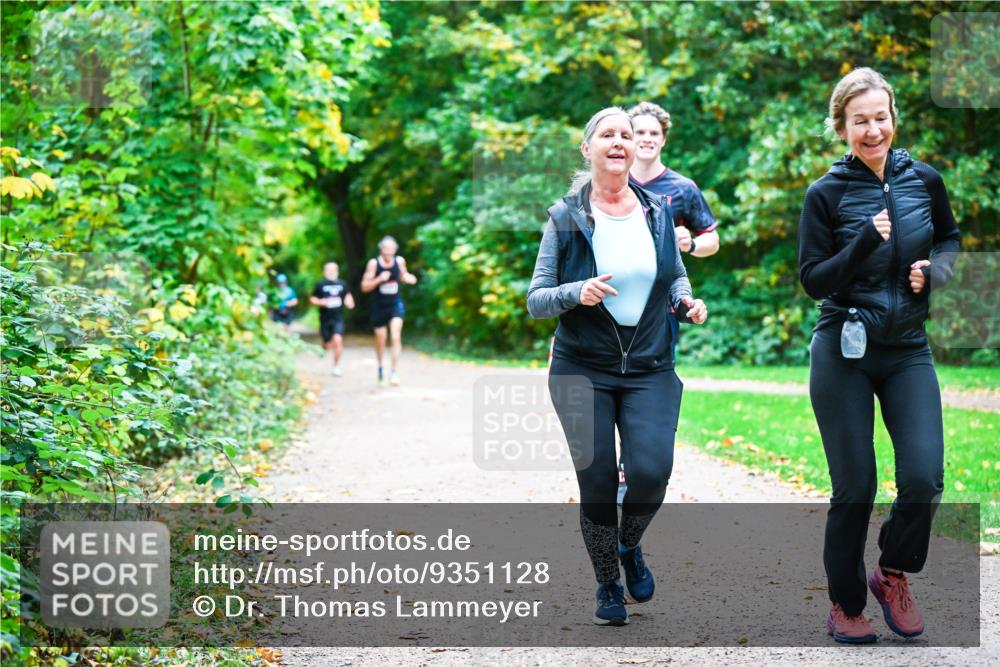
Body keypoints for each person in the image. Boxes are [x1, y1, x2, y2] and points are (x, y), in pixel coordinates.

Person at [797, 67, 960, 644]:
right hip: (844, 346)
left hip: (907, 348)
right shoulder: (827, 193)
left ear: (894, 117)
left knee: (923, 476)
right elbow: (813, 279)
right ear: (841, 125)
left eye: (881, 118)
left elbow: (949, 239)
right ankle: (846, 604)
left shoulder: (924, 180)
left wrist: (934, 272)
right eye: (860, 120)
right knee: (855, 485)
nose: (873, 130)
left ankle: (892, 573)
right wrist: (864, 239)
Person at [527, 107, 708, 626]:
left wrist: (686, 304)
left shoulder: (657, 211)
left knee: (651, 474)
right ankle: (607, 581)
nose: (619, 142)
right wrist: (575, 292)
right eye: (607, 134)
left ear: (636, 150)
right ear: (588, 149)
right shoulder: (565, 217)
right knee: (599, 480)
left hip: (650, 366)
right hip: (581, 367)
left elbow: (674, 278)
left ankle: (629, 547)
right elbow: (536, 298)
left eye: (626, 135)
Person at [628, 101, 720, 259]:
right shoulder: (611, 182)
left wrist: (691, 244)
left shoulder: (683, 188)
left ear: (663, 140)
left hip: (664, 282)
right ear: (628, 137)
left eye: (654, 133)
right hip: (615, 282)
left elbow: (712, 240)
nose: (647, 139)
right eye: (640, 132)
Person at [360, 236, 417, 386]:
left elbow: (403, 275)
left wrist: (409, 278)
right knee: (381, 339)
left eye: (392, 249)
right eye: (387, 248)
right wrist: (379, 279)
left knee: (396, 335)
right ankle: (380, 368)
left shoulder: (399, 261)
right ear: (381, 249)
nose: (390, 251)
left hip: (395, 304)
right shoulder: (374, 264)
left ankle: (394, 372)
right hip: (379, 306)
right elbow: (364, 287)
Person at [309, 261, 355, 376]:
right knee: (326, 344)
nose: (331, 272)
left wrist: (349, 302)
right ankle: (323, 348)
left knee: (338, 340)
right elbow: (312, 298)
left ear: (337, 271)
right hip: (325, 318)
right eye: (329, 270)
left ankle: (336, 366)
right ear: (325, 272)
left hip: (338, 318)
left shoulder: (342, 284)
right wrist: (320, 302)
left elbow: (348, 296)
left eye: (333, 270)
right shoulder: (320, 284)